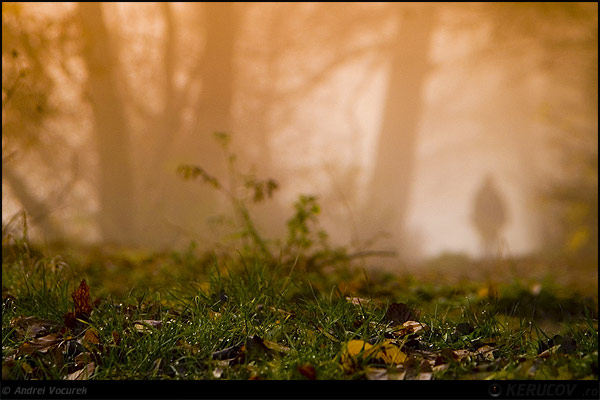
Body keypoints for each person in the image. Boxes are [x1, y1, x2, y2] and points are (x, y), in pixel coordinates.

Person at [471, 174, 508, 259]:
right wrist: (503, 218)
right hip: (487, 220)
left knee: (489, 238)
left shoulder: (483, 194)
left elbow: (500, 207)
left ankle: (488, 255)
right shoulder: (492, 194)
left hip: (487, 220)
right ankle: (488, 255)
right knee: (488, 238)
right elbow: (500, 207)